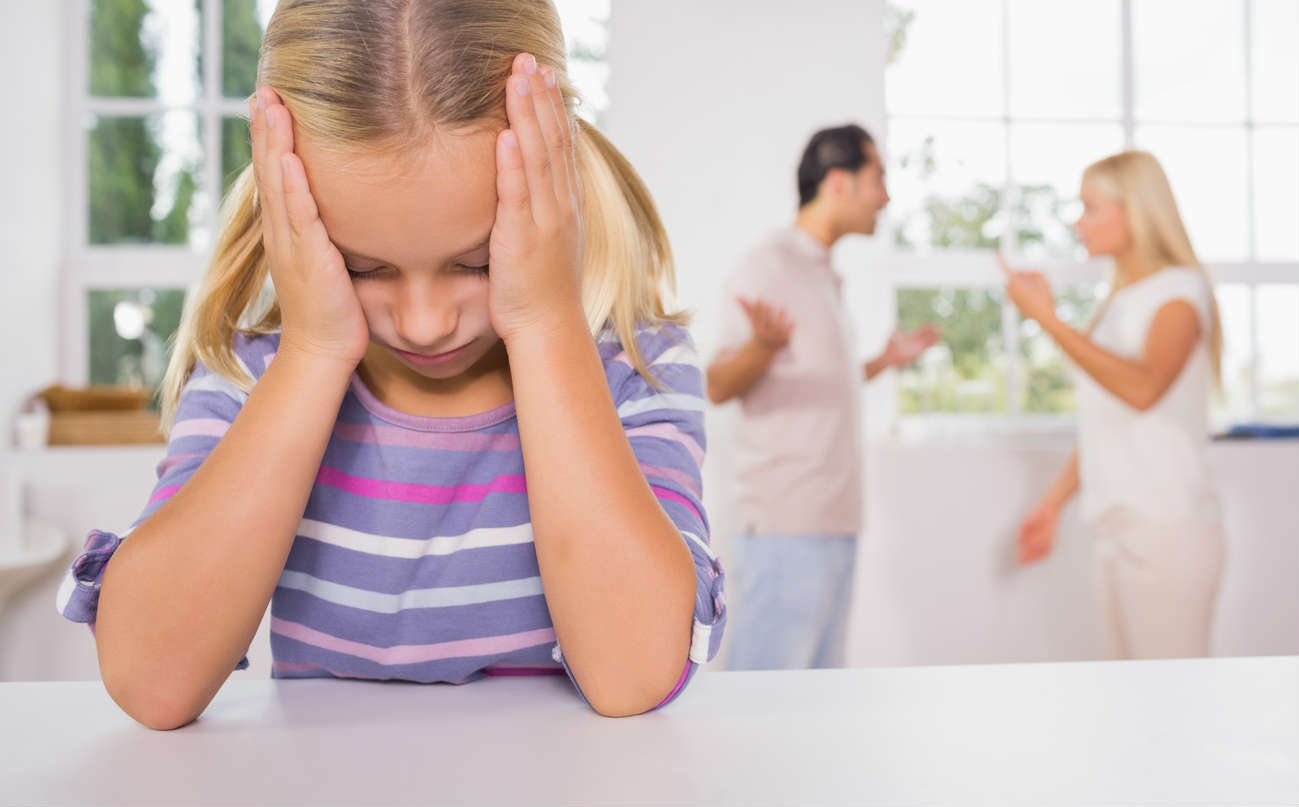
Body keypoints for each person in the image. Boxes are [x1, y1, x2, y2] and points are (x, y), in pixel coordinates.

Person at [55, 0, 724, 729]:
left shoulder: (636, 369)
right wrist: (313, 352)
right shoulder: (252, 378)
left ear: (556, 176)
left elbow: (633, 672)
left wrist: (543, 322)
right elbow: (152, 680)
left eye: (474, 261)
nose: (425, 322)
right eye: (363, 268)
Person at [706, 124, 939, 670]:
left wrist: (883, 361)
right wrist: (761, 346)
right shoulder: (769, 266)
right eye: (878, 178)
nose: (886, 196)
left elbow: (818, 380)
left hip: (833, 522)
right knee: (766, 703)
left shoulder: (821, 273)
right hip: (787, 527)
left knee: (816, 700)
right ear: (838, 183)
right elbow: (716, 384)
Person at [1003, 150, 1225, 660]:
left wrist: (1048, 320)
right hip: (1120, 527)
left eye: (1091, 208)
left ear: (1134, 210)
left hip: (1167, 526)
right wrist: (1052, 504)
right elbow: (1110, 420)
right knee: (1133, 704)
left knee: (1171, 704)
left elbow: (1143, 391)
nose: (1079, 223)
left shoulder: (1179, 294)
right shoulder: (1122, 302)